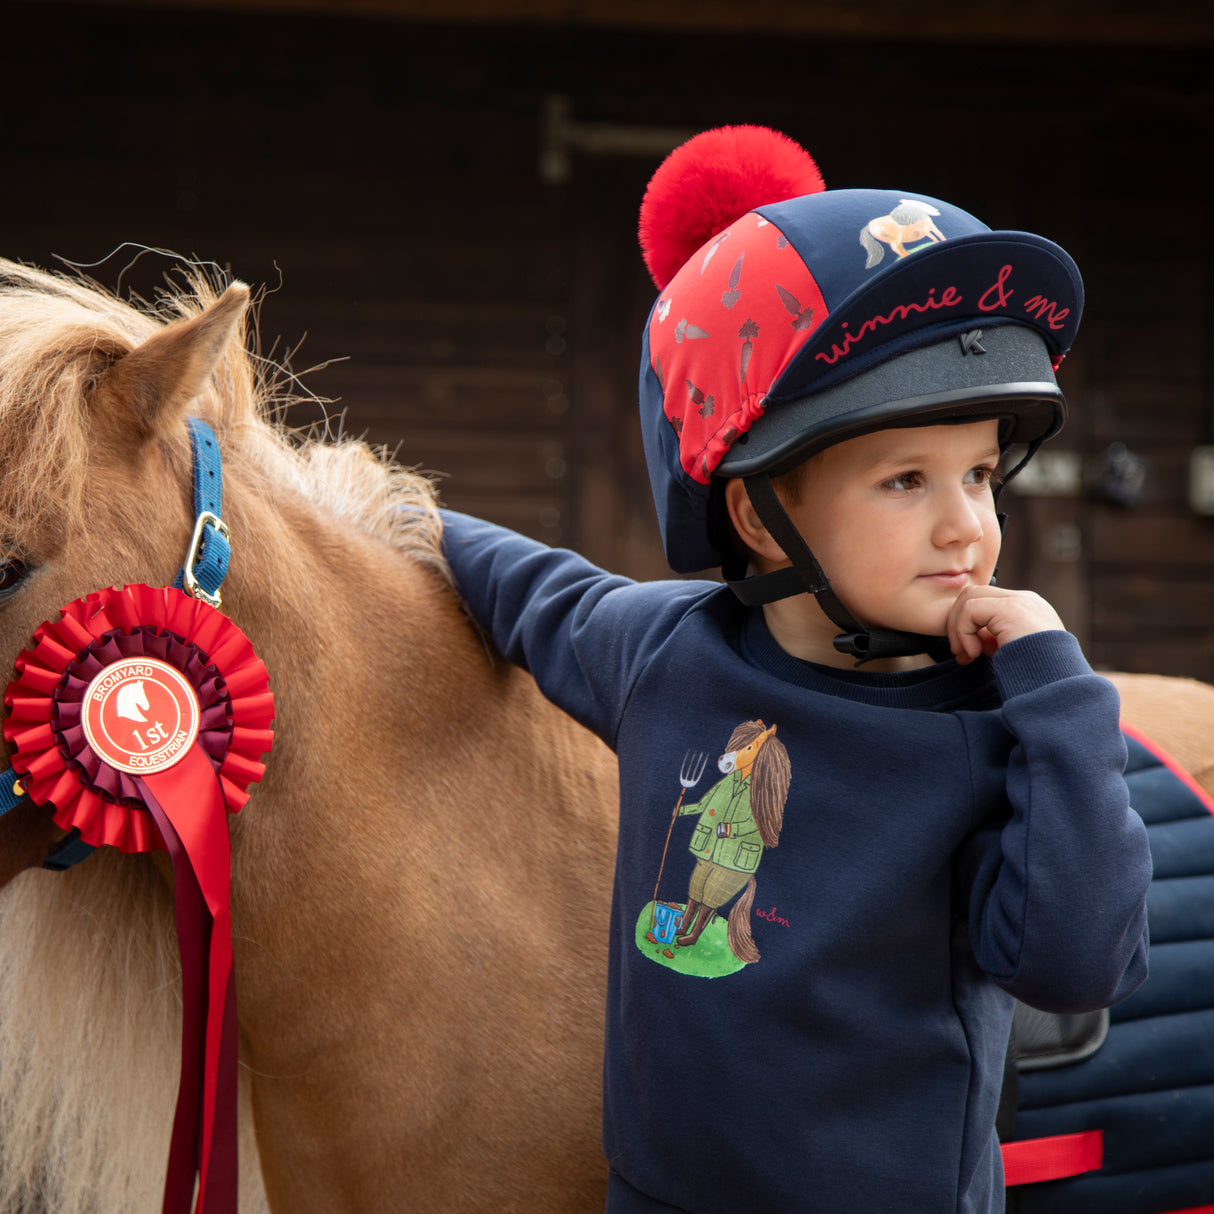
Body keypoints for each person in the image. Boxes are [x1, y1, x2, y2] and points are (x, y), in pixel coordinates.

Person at [438, 125, 1151, 1213]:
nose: (966, 524)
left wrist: (1056, 690)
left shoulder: (992, 721)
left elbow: (1075, 962)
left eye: (977, 473)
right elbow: (531, 588)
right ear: (760, 516)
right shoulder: (662, 649)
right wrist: (373, 505)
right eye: (905, 479)